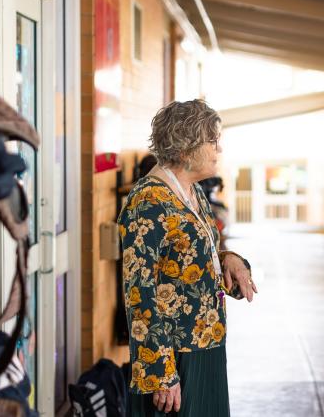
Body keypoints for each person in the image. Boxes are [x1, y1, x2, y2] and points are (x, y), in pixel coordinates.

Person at [118, 99, 258, 416]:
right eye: (212, 141)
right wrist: (162, 373)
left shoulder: (191, 192)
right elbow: (139, 291)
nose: (218, 149)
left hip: (206, 346)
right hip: (174, 358)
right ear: (185, 148)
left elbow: (190, 255)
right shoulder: (149, 199)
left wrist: (229, 258)